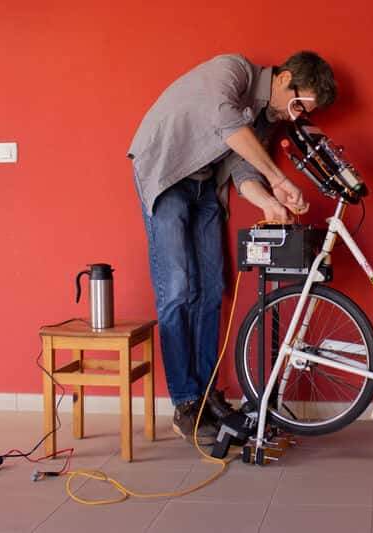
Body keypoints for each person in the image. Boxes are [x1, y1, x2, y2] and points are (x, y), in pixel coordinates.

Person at [127, 51, 337, 444]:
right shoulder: (232, 70)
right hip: (166, 175)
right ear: (283, 78)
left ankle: (208, 395)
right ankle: (186, 403)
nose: (295, 117)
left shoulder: (263, 120)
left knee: (209, 292)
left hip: (207, 187)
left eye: (302, 113)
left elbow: (243, 171)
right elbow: (226, 124)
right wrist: (278, 180)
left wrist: (271, 203)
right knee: (177, 289)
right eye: (296, 105)